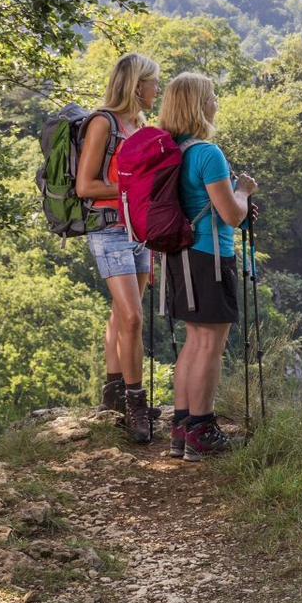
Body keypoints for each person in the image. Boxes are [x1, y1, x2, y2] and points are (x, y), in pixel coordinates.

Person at [156, 72, 257, 460]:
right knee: (210, 346)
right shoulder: (207, 153)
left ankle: (181, 429)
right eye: (212, 97)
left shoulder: (171, 151)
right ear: (199, 106)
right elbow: (232, 215)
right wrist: (243, 190)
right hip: (210, 257)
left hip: (177, 255)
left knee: (193, 342)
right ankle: (202, 430)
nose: (216, 102)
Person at [76, 52, 161, 443]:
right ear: (137, 85)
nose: (157, 89)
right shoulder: (103, 123)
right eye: (153, 82)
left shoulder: (139, 125)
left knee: (121, 314)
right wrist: (133, 188)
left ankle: (113, 393)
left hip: (139, 231)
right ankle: (135, 403)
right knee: (132, 318)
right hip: (109, 231)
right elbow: (85, 186)